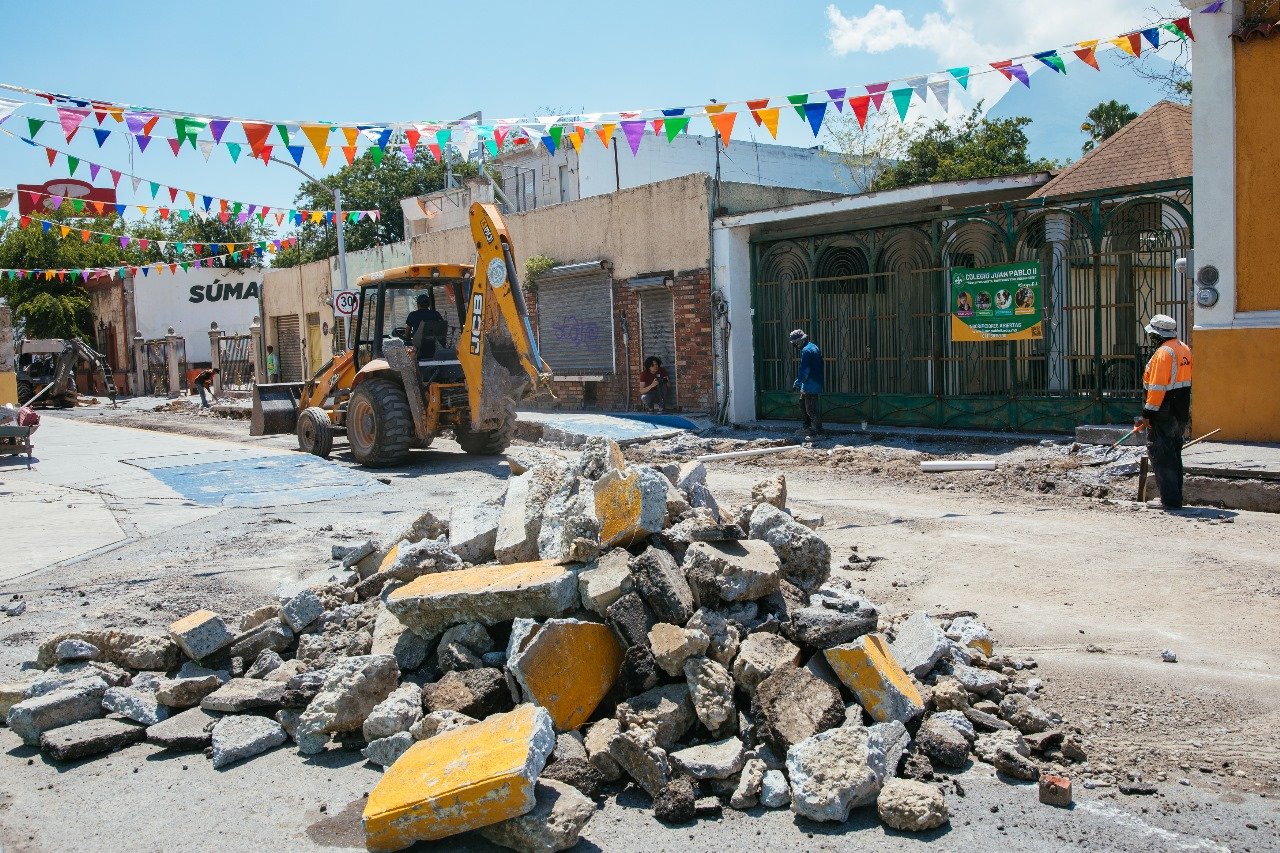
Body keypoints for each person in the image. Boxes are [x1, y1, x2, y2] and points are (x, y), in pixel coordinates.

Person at [1136, 313, 1192, 511]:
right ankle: (1176, 498)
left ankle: (1170, 501)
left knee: (1162, 455)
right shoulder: (1183, 348)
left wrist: (1147, 414)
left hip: (1164, 412)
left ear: (1157, 335)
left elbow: (1158, 388)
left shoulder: (1163, 353)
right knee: (1174, 455)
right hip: (1180, 411)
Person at [790, 329, 826, 438]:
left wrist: (798, 382)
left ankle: (820, 433)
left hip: (811, 383)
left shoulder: (806, 351)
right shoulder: (813, 346)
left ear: (799, 341)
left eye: (795, 343)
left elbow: (804, 370)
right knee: (802, 403)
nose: (795, 346)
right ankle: (807, 428)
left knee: (810, 409)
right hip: (813, 381)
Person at [405, 293, 447, 359]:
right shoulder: (436, 314)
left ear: (418, 304)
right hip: (434, 344)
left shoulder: (413, 315)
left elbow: (407, 331)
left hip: (419, 347)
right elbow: (441, 328)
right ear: (428, 304)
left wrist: (407, 339)